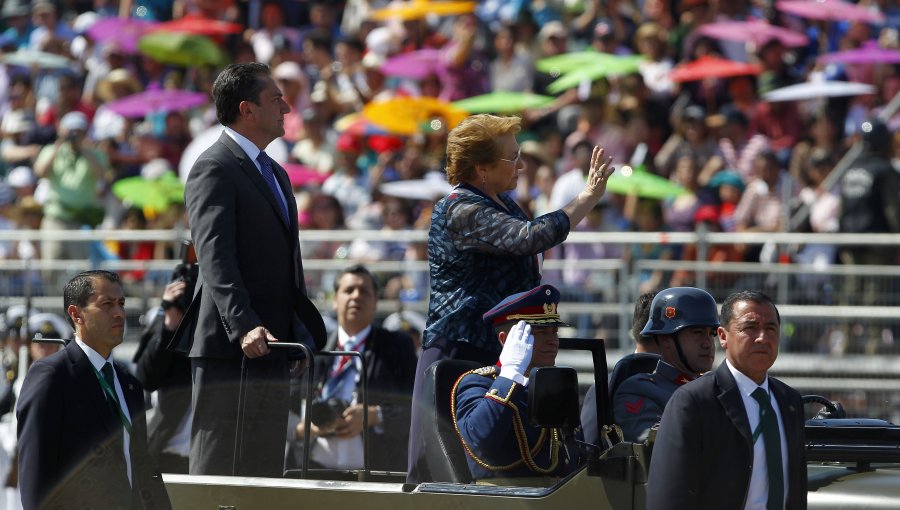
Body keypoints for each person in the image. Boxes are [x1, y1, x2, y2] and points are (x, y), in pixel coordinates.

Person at [407, 113, 614, 483]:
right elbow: (529, 238)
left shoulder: (502, 203)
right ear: (481, 168)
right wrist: (587, 197)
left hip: (503, 351)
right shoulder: (459, 209)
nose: (521, 164)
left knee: (510, 466)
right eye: (512, 157)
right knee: (448, 472)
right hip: (460, 353)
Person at [183, 62, 326, 477]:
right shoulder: (214, 166)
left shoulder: (276, 173)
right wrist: (244, 323)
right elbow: (214, 257)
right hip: (230, 348)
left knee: (262, 475)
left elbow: (287, 264)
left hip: (272, 346)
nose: (286, 106)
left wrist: (296, 330)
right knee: (219, 471)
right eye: (276, 98)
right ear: (247, 109)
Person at [16, 270, 171, 509]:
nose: (119, 312)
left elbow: (139, 466)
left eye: (121, 303)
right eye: (107, 304)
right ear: (76, 314)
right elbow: (35, 474)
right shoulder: (52, 375)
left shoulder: (129, 382)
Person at [647, 291, 806, 510]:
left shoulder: (790, 401)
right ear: (723, 336)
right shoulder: (693, 402)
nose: (762, 337)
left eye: (771, 328)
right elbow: (670, 497)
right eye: (750, 328)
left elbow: (795, 491)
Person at [290, 265, 417, 472]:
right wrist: (303, 428)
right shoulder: (312, 349)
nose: (356, 296)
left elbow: (419, 408)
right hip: (311, 471)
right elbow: (283, 408)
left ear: (376, 301)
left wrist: (375, 415)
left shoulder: (397, 347)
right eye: (349, 290)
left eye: (365, 291)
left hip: (374, 475)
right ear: (335, 299)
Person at [453, 284, 580, 482]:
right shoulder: (478, 382)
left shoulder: (553, 385)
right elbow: (481, 441)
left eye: (554, 332)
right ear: (506, 340)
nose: (553, 341)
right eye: (541, 332)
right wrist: (511, 373)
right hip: (502, 498)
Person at [613, 287, 719, 442]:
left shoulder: (716, 388)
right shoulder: (639, 390)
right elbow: (654, 445)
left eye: (712, 334)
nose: (708, 343)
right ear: (666, 340)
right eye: (697, 332)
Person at [580, 291, 657, 445]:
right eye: (696, 332)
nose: (706, 342)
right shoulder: (605, 389)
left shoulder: (604, 387)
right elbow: (589, 454)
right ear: (665, 337)